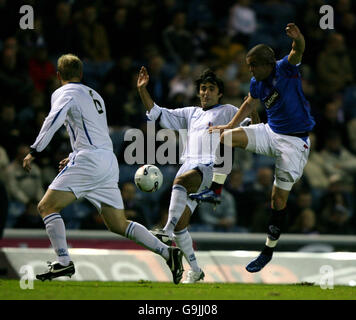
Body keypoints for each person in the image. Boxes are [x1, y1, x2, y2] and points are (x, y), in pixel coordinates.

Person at [22, 54, 184, 284]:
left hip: (90, 160)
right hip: (107, 161)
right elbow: (92, 130)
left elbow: (54, 118)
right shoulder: (94, 94)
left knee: (46, 206)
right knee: (118, 224)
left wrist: (35, 150)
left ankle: (63, 262)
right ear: (81, 74)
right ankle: (168, 253)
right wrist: (73, 155)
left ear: (58, 76)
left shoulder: (64, 92)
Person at [190, 23, 315, 272]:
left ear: (268, 64)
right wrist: (228, 126)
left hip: (295, 143)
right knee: (226, 138)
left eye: (253, 65)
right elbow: (248, 103)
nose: (250, 70)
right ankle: (215, 190)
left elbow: (297, 51)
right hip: (271, 132)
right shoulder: (257, 83)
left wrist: (299, 38)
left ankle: (268, 250)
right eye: (248, 66)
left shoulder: (284, 69)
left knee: (278, 200)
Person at [137, 66, 258, 283]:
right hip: (191, 167)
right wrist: (142, 90)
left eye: (211, 89)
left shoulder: (229, 110)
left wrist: (253, 105)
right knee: (182, 225)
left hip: (212, 168)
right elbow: (157, 113)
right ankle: (196, 270)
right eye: (203, 88)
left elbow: (255, 128)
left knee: (180, 181)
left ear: (219, 93)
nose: (206, 92)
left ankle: (165, 230)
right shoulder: (191, 113)